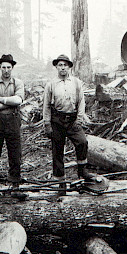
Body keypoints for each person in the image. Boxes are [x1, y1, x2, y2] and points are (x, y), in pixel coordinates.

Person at [43, 54, 91, 196]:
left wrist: (79, 119)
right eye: (60, 65)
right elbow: (46, 105)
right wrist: (47, 124)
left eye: (65, 65)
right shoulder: (51, 84)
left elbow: (82, 101)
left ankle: (82, 171)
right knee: (57, 150)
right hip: (57, 120)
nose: (62, 68)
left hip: (73, 119)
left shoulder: (76, 82)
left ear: (69, 67)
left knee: (82, 142)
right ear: (56, 67)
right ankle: (60, 182)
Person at [0, 54, 27, 201]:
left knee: (15, 153)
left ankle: (15, 186)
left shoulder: (18, 83)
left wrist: (1, 100)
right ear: (0, 68)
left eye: (9, 67)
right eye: (4, 67)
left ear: (12, 68)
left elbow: (18, 100)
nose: (6, 70)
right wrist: (7, 104)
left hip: (13, 120)